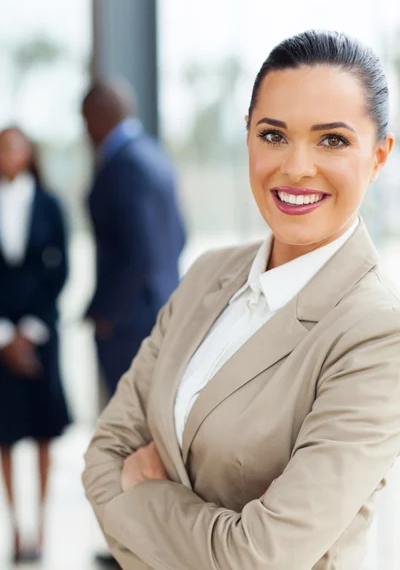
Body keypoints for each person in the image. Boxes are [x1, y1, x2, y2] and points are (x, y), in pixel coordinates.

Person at [82, 31, 400, 570]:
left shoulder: (375, 333)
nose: (297, 167)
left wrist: (138, 496)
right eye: (273, 135)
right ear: (248, 137)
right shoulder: (209, 274)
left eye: (332, 140)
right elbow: (101, 458)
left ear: (379, 156)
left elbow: (259, 558)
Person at [82, 80, 186, 399]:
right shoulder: (155, 155)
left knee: (130, 432)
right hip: (161, 310)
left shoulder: (122, 165)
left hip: (129, 325)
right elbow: (180, 235)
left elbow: (141, 252)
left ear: (96, 118)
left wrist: (111, 315)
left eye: (85, 120)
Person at [0, 127, 70, 563]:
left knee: (44, 431)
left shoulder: (49, 204)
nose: (8, 154)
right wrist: (5, 337)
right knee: (4, 434)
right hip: (0, 339)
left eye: (15, 146)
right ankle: (15, 529)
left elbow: (60, 271)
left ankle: (41, 529)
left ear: (29, 153)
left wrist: (28, 331)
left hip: (41, 334)